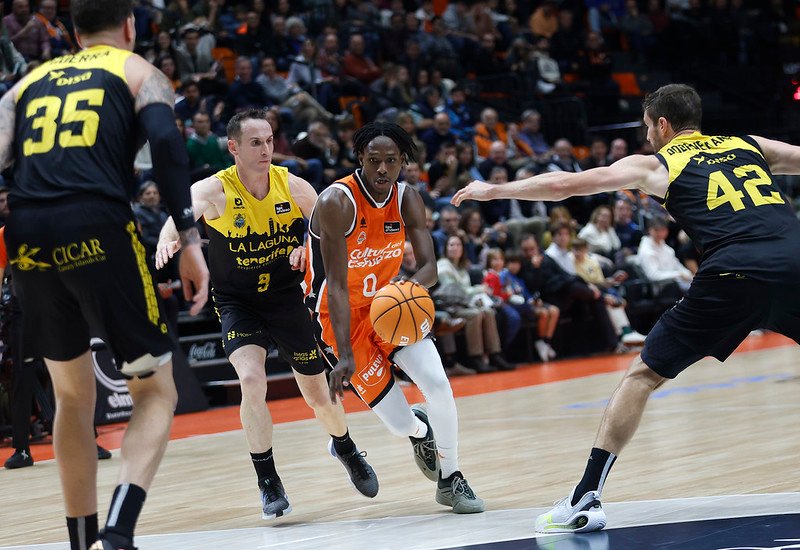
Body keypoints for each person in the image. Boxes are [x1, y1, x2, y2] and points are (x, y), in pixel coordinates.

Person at [453, 83, 800, 533]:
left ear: (662, 124)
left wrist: (491, 190)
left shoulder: (659, 163)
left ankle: (585, 498)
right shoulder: (748, 145)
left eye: (646, 127)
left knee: (643, 375)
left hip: (733, 270)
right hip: (794, 259)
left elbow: (564, 185)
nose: (647, 136)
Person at [0, 2, 210, 549]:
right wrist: (189, 241)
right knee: (155, 391)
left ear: (71, 33)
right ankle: (117, 533)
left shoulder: (26, 84)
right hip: (96, 225)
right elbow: (166, 145)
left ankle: (80, 540)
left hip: (26, 233)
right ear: (130, 27)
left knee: (72, 397)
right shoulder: (139, 71)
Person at [155, 108, 378, 520]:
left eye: (270, 141)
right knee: (252, 381)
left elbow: (335, 236)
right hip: (237, 302)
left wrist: (308, 250)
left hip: (286, 298)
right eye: (255, 142)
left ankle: (346, 447)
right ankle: (268, 480)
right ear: (234, 147)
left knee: (316, 395)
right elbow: (180, 216)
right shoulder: (215, 189)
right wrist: (167, 242)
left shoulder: (293, 187)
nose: (266, 149)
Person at [304, 121, 484, 514]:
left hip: (388, 305)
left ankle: (451, 478)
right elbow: (334, 285)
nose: (382, 169)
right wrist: (346, 355)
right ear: (360, 160)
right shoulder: (338, 201)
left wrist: (403, 292)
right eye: (374, 161)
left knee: (437, 383)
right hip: (338, 317)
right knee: (401, 424)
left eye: (391, 161)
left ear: (403, 161)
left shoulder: (407, 198)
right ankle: (419, 432)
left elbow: (430, 270)